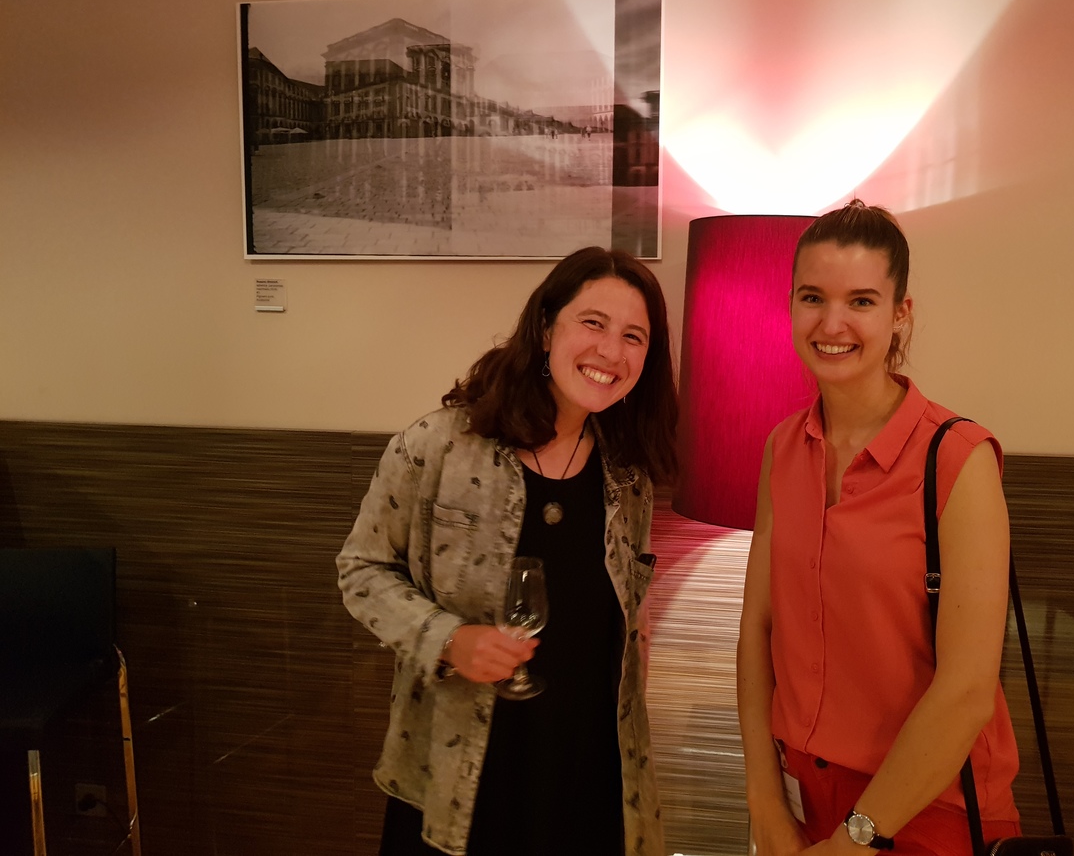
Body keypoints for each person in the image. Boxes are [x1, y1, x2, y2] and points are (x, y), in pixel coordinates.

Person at [337, 246, 677, 856]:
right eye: (593, 323)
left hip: (585, 768)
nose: (611, 351)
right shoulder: (439, 446)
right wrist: (448, 639)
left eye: (634, 337)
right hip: (459, 771)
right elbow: (361, 570)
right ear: (546, 328)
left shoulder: (628, 475)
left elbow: (628, 625)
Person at [736, 200, 1022, 855]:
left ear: (900, 314)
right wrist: (764, 801)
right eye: (812, 297)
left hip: (927, 807)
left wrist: (856, 838)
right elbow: (758, 628)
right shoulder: (783, 447)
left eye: (861, 301)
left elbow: (968, 691)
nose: (831, 323)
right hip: (803, 800)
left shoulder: (958, 458)